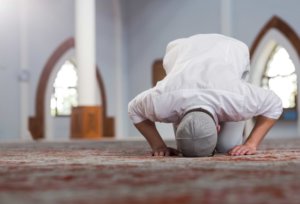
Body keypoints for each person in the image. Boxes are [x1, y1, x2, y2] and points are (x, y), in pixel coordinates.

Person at [128, 34, 283, 157]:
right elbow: (133, 109)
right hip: (181, 50)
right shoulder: (163, 101)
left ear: (218, 127)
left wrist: (251, 144)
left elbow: (274, 105)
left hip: (231, 48)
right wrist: (158, 145)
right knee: (191, 141)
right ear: (177, 120)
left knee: (226, 146)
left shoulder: (238, 99)